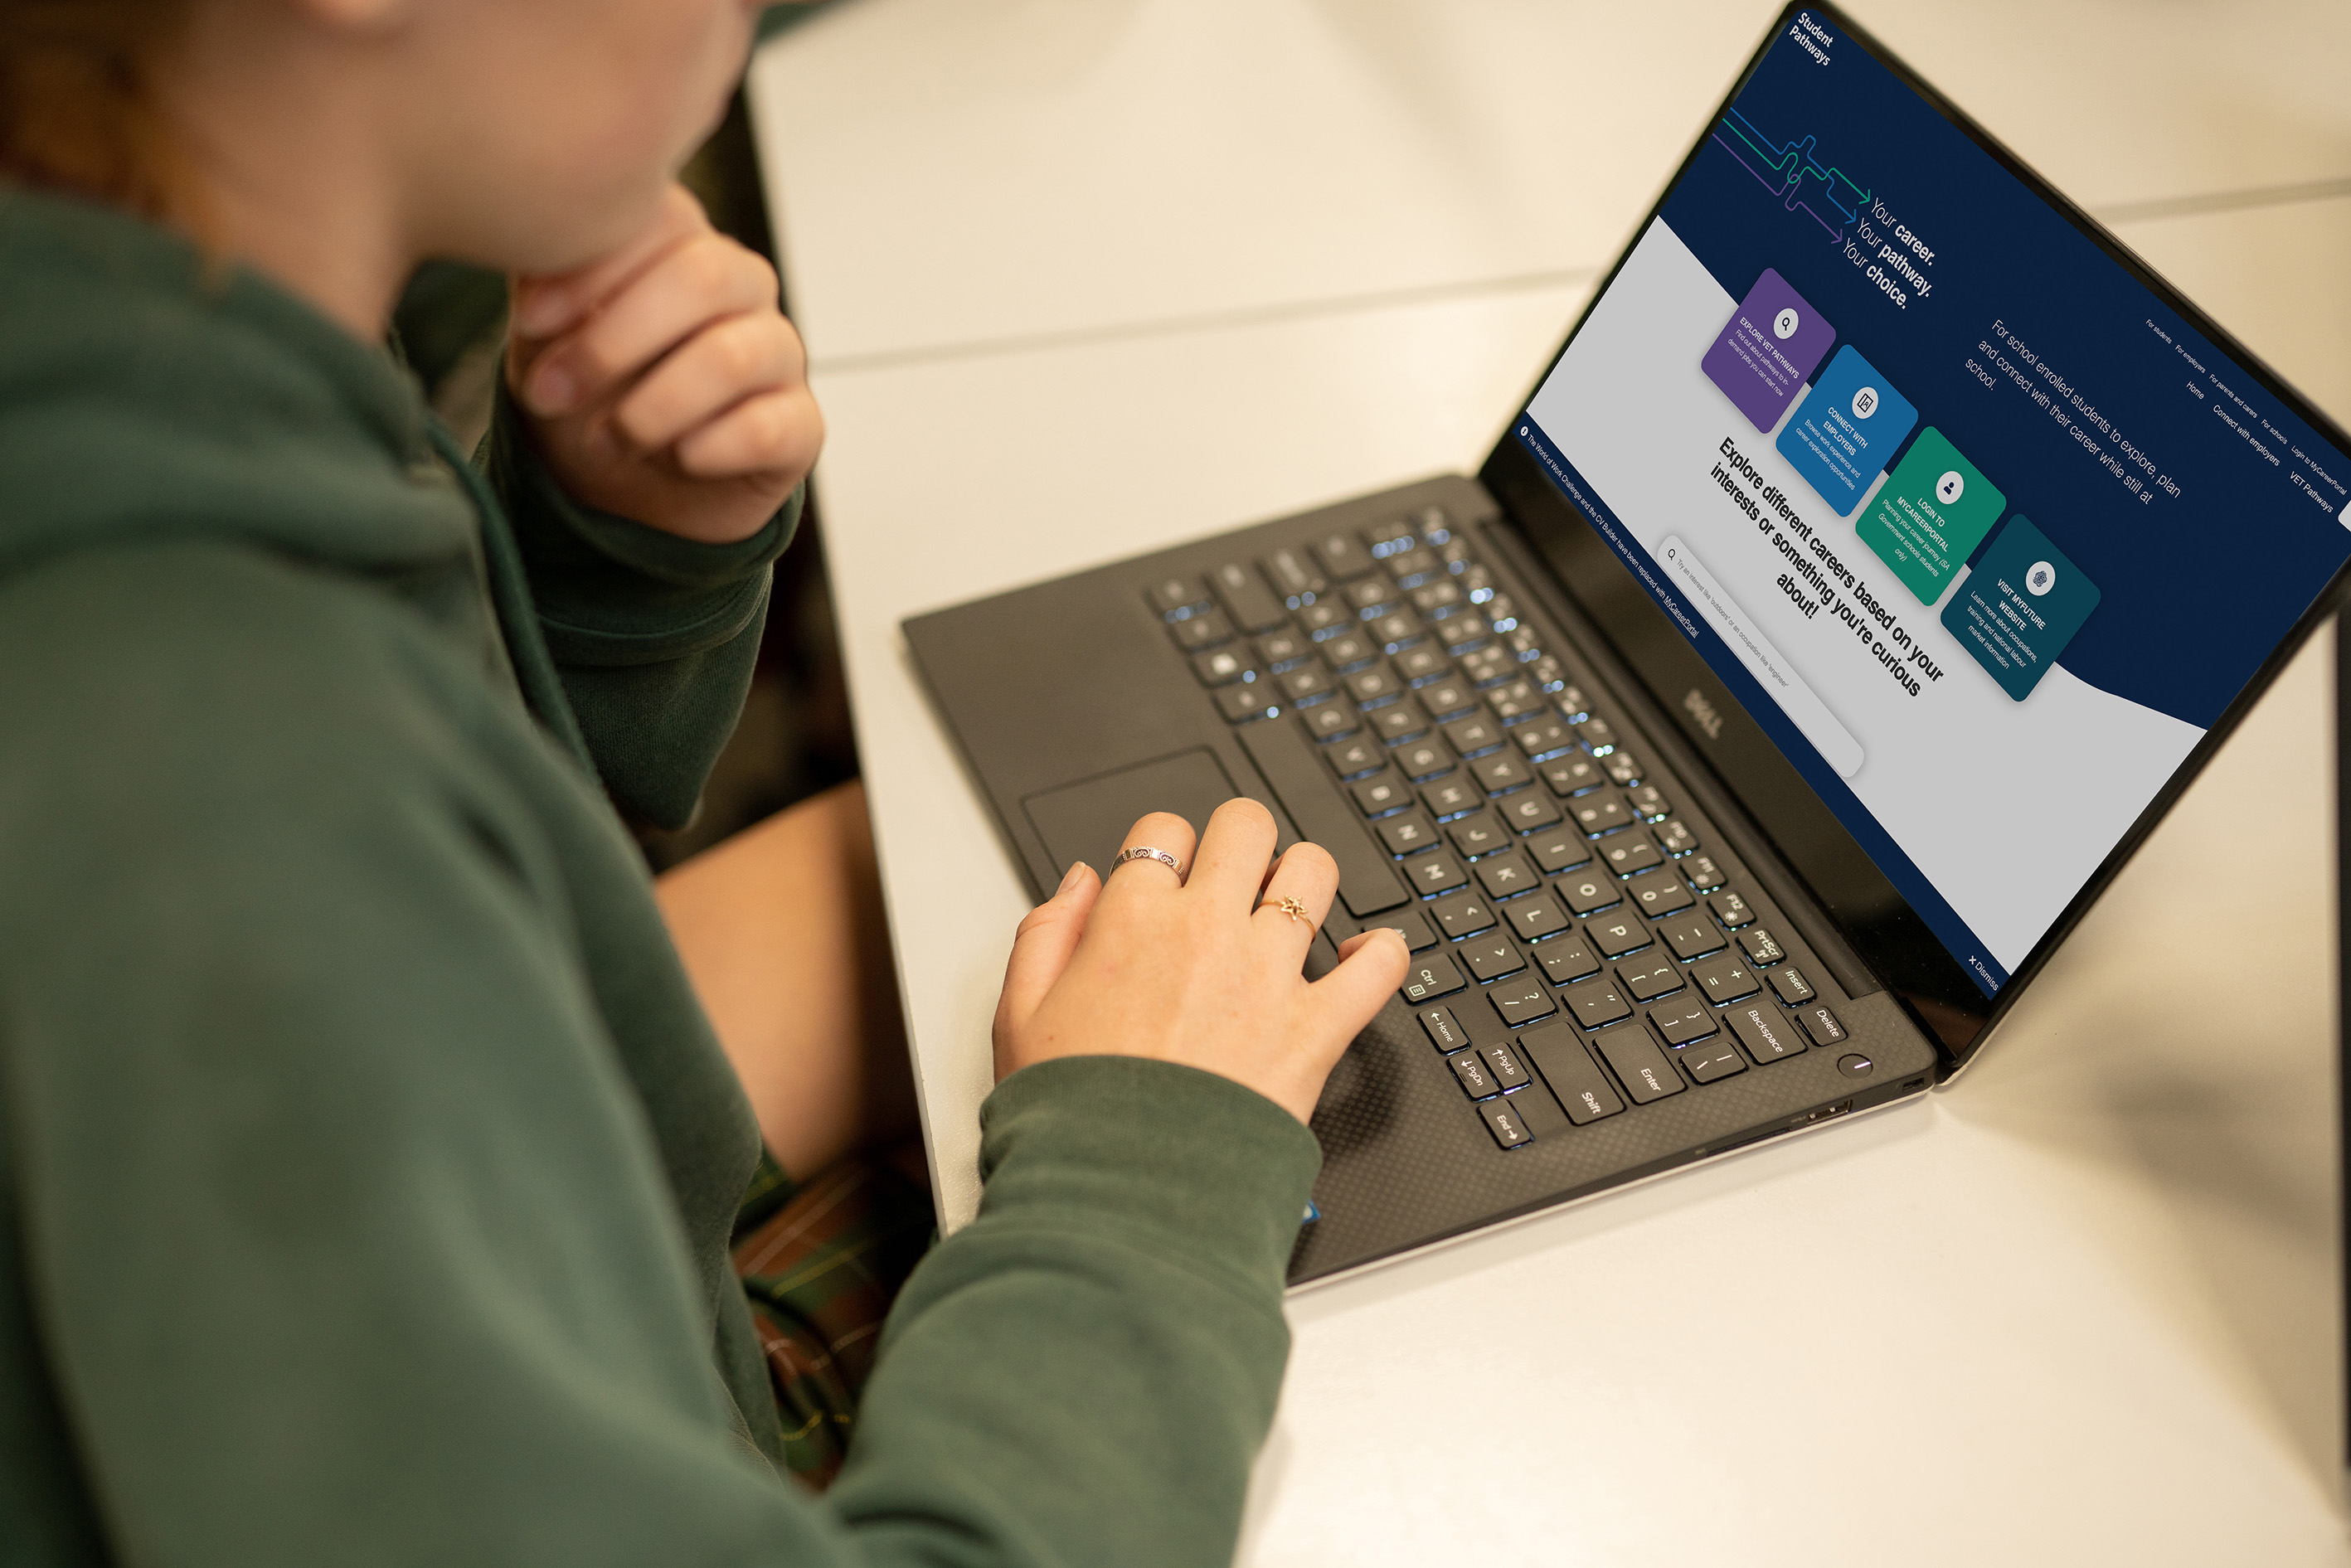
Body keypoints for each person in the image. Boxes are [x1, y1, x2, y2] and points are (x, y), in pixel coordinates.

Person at [0, 2, 1411, 1565]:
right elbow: (338, 894)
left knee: (1034, 832)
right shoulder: (216, 802)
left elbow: (473, 890)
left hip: (605, 1327)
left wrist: (607, 571)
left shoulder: (165, 325)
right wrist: (1152, 1173)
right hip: (703, 1441)